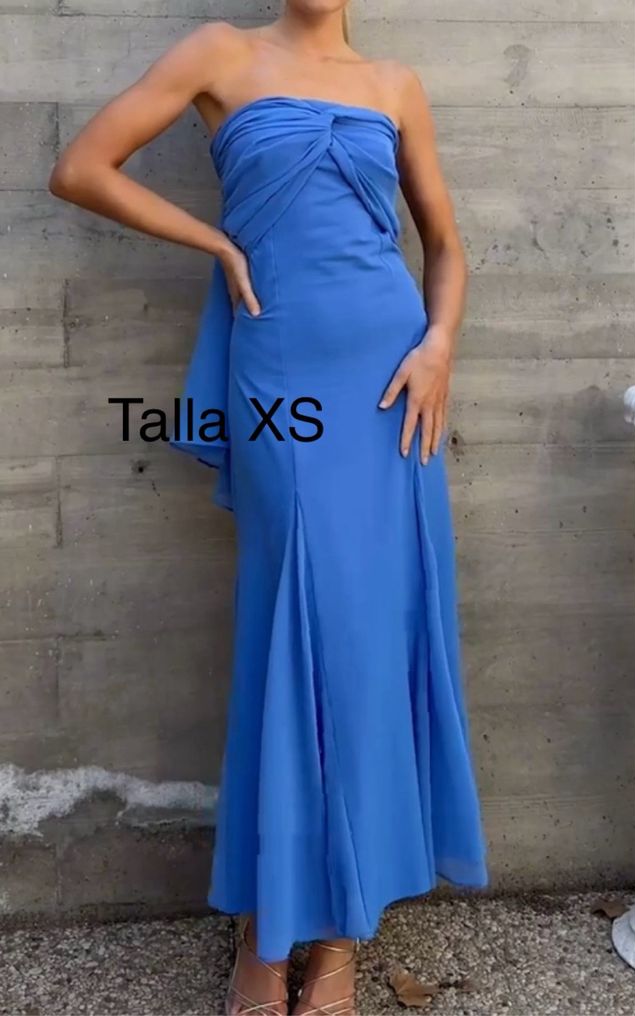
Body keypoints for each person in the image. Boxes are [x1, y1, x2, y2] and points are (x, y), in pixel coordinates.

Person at [49, 3, 488, 1013]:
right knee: (294, 634)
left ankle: (333, 941)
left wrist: (439, 344)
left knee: (369, 643)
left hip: (392, 387)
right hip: (281, 374)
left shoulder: (395, 84)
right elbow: (81, 168)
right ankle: (265, 928)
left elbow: (445, 246)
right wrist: (215, 238)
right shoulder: (220, 51)